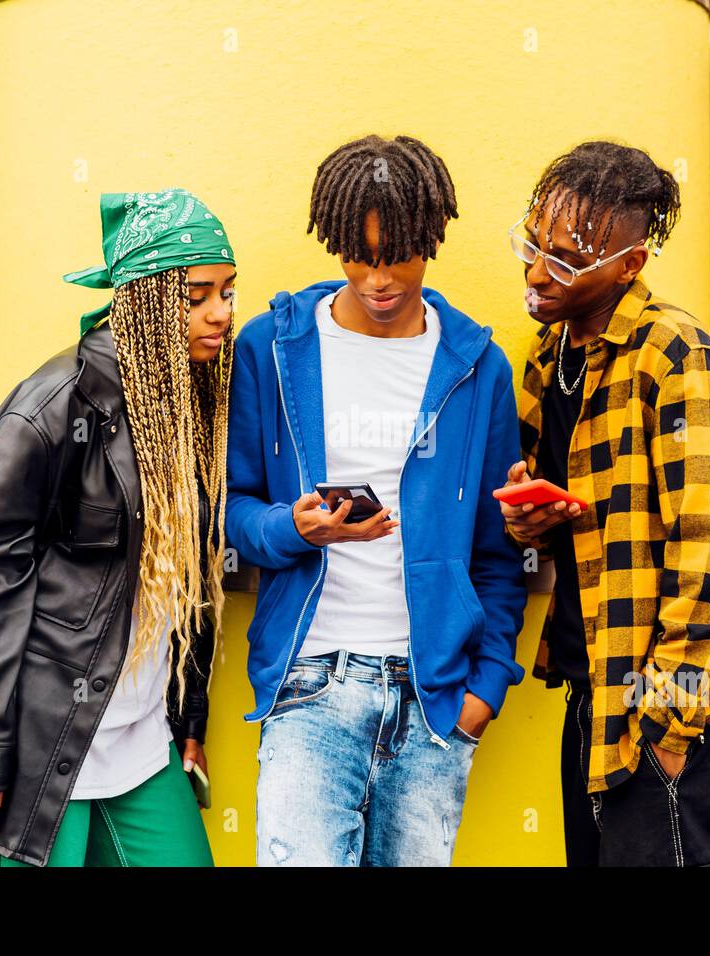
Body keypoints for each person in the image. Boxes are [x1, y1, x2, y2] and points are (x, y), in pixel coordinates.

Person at [0, 189, 236, 866]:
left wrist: (187, 718)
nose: (222, 314)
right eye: (198, 296)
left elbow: (182, 582)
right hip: (32, 748)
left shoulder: (185, 404)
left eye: (228, 292)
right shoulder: (50, 411)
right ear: (142, 300)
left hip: (139, 749)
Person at [225, 134, 527, 866]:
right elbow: (231, 509)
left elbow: (498, 551)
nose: (378, 276)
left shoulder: (478, 367)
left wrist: (481, 697)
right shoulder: (272, 347)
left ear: (431, 238)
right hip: (310, 687)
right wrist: (291, 528)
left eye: (398, 254)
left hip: (433, 702)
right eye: (358, 255)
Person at [500, 142, 710, 866]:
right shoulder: (550, 355)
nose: (537, 270)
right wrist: (530, 519)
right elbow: (566, 505)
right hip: (597, 696)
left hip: (683, 715)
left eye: (565, 258)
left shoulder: (678, 357)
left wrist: (670, 728)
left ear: (629, 267)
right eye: (534, 242)